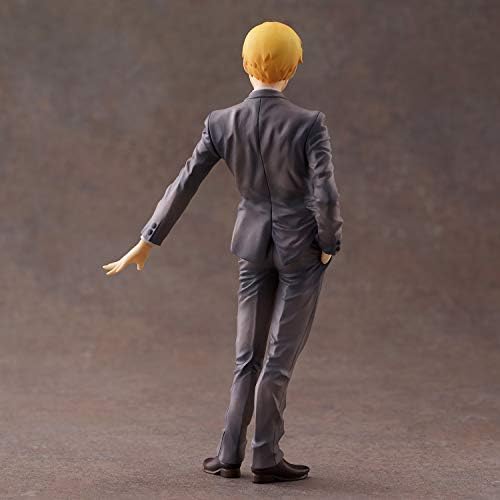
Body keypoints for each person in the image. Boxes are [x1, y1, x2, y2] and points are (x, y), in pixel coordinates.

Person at [102, 21, 343, 484]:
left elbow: (185, 182)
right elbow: (326, 193)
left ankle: (229, 452)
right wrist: (329, 244)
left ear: (245, 64)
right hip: (301, 250)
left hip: (251, 246)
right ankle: (266, 456)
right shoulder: (308, 123)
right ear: (294, 66)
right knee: (278, 358)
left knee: (246, 356)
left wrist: (148, 239)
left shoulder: (221, 121)